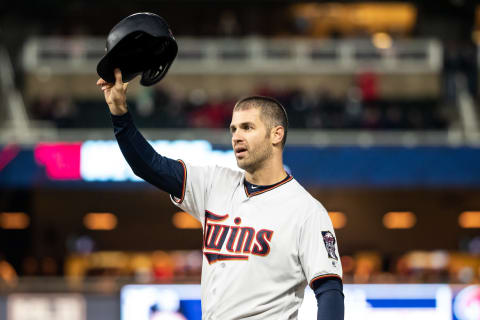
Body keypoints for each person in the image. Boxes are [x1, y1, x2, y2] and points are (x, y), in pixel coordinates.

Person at [97, 69, 344, 319]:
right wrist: (120, 114)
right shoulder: (214, 184)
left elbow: (329, 291)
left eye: (248, 127)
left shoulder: (306, 210)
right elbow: (148, 165)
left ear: (276, 134)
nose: (237, 136)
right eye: (233, 129)